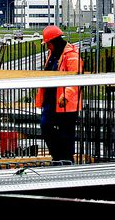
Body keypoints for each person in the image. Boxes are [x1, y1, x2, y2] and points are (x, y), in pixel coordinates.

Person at [35, 26, 83, 164]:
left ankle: (66, 159)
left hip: (66, 103)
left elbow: (76, 80)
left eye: (48, 43)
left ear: (53, 41)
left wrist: (65, 95)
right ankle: (57, 157)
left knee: (66, 132)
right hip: (51, 100)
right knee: (46, 126)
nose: (47, 46)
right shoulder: (53, 53)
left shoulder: (72, 55)